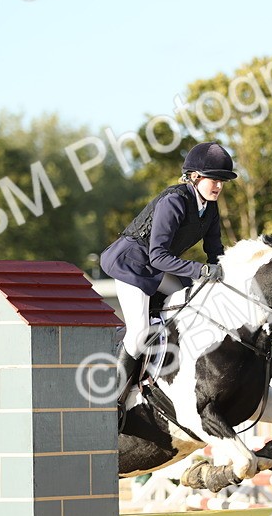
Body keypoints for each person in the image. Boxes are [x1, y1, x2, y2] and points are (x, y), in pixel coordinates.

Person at [99, 141, 237, 415]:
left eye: (222, 181)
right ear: (195, 177)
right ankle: (111, 401)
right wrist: (200, 271)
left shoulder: (209, 208)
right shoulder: (174, 201)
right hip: (131, 265)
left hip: (155, 267)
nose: (219, 187)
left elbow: (215, 253)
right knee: (138, 334)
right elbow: (158, 257)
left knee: (192, 299)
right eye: (214, 180)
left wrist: (227, 275)